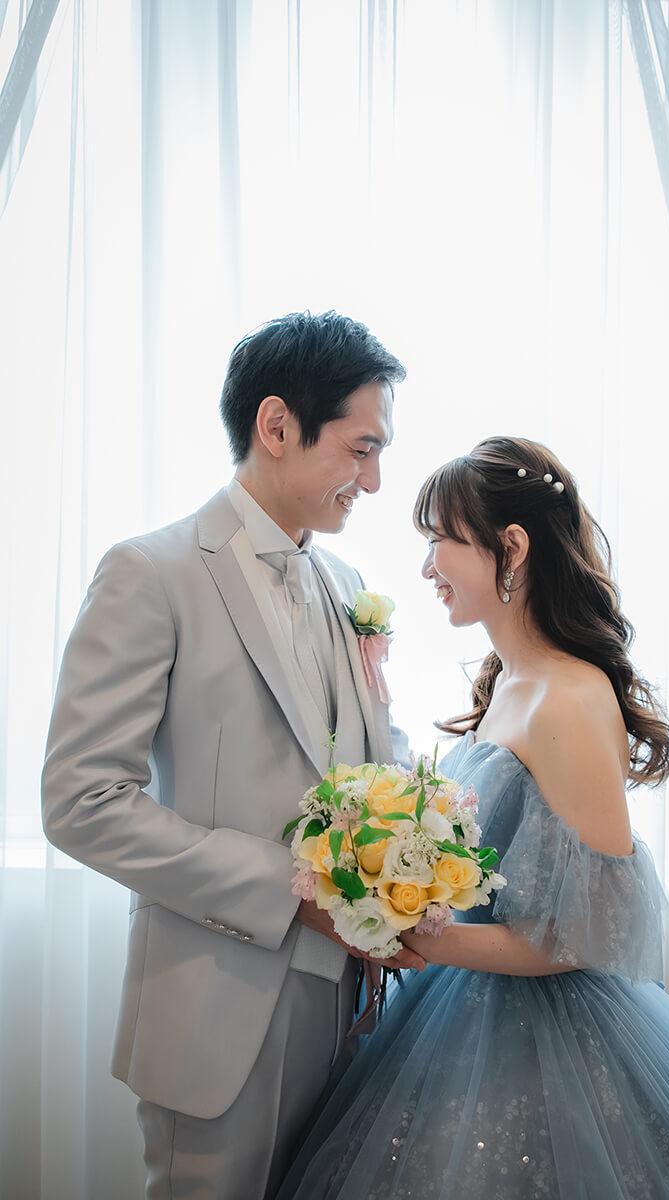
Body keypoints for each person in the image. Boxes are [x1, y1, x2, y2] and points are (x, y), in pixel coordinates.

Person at [276, 436, 669, 1199]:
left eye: (441, 541)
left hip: (553, 1042)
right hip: (459, 1005)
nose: (427, 568)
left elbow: (590, 934)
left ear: (512, 548)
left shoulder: (570, 698)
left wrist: (420, 935)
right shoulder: (509, 682)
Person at [41, 310, 426, 1200]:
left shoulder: (348, 585)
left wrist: (418, 857)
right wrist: (290, 894)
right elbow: (81, 801)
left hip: (354, 1010)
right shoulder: (152, 572)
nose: (374, 482)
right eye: (361, 449)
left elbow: (371, 761)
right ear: (278, 426)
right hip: (216, 1009)